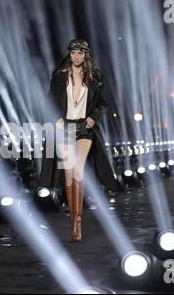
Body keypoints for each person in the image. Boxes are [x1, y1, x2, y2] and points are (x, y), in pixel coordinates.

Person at [39, 38, 120, 242]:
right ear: (70, 54)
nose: (76, 56)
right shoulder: (59, 76)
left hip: (85, 127)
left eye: (80, 53)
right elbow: (49, 100)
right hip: (65, 127)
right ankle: (73, 220)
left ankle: (78, 222)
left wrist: (94, 117)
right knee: (68, 177)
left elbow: (102, 103)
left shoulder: (95, 77)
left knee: (77, 171)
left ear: (86, 55)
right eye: (73, 53)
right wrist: (57, 117)